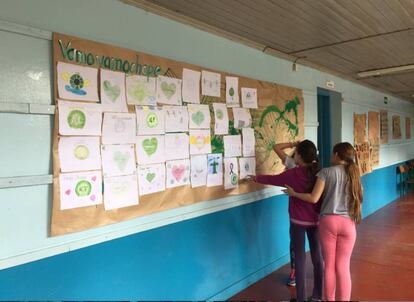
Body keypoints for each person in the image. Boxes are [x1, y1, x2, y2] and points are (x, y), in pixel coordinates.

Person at [284, 142, 363, 301]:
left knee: (330, 267)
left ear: (336, 155)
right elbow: (359, 199)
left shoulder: (325, 173)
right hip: (348, 224)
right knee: (343, 267)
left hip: (328, 223)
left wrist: (294, 193)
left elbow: (313, 198)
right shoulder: (355, 174)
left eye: (332, 154)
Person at [253, 140, 323, 302]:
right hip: (315, 222)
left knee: (299, 260)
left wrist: (255, 178)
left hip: (297, 223)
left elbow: (272, 180)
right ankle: (318, 295)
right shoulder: (318, 172)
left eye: (297, 152)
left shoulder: (292, 173)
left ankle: (301, 298)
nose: (294, 155)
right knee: (317, 257)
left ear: (300, 156)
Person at [273, 141, 298, 287]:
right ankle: (320, 272)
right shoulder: (293, 164)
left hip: (297, 213)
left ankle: (294, 273)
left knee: (295, 243)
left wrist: (292, 143)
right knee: (314, 243)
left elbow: (276, 147)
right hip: (302, 213)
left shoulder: (292, 164)